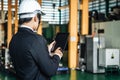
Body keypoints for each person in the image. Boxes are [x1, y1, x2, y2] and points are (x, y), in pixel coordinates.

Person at [9, 0, 63, 80]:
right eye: (39, 18)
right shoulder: (37, 40)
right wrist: (57, 55)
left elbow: (29, 59)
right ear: (35, 18)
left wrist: (45, 51)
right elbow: (50, 70)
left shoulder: (14, 39)